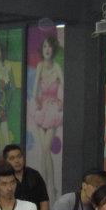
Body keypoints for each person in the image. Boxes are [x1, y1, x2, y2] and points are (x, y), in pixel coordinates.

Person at [32, 34, 63, 199]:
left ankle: (48, 186)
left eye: (49, 46)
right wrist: (36, 101)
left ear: (53, 49)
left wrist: (60, 101)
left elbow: (65, 85)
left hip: (52, 110)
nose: (47, 49)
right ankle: (49, 187)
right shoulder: (39, 66)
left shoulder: (57, 67)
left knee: (45, 148)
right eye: (44, 46)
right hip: (41, 108)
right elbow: (34, 89)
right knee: (45, 151)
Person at [3, 143, 49, 210]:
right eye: (12, 158)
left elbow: (44, 201)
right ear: (5, 161)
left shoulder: (34, 175)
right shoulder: (3, 179)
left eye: (19, 157)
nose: (17, 161)